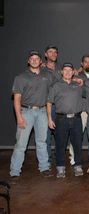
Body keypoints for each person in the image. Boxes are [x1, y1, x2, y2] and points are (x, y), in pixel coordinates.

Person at [10, 50, 53, 181]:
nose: (34, 61)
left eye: (37, 59)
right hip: (26, 112)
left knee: (41, 142)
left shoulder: (47, 76)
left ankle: (44, 167)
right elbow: (16, 99)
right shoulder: (21, 77)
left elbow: (61, 80)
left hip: (42, 112)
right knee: (21, 144)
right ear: (28, 61)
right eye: (32, 59)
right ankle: (15, 171)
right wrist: (19, 117)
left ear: (41, 61)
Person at [47, 63, 84, 178]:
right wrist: (49, 118)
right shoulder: (56, 86)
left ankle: (78, 166)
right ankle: (60, 168)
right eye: (65, 70)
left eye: (70, 70)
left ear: (73, 72)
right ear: (61, 72)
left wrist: (81, 80)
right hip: (61, 119)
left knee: (77, 144)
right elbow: (49, 103)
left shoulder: (78, 85)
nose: (67, 72)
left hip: (77, 118)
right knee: (60, 145)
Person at [42, 45, 60, 164]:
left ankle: (59, 159)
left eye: (55, 52)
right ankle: (47, 160)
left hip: (59, 107)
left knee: (60, 135)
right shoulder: (40, 70)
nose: (53, 54)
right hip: (46, 107)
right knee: (46, 136)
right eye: (50, 52)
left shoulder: (61, 71)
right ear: (45, 54)